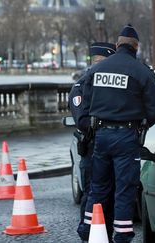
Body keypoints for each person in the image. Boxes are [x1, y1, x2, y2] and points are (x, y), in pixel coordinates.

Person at [77, 24, 155, 243]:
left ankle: (90, 229)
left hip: (101, 136)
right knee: (125, 188)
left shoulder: (97, 70)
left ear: (117, 45)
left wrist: (93, 124)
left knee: (98, 186)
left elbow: (84, 103)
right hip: (127, 136)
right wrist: (141, 124)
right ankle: (122, 234)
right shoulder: (141, 71)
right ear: (136, 47)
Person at [69, 42, 116, 242]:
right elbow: (82, 120)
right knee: (91, 195)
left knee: (111, 197)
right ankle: (88, 235)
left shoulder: (114, 87)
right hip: (91, 150)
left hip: (111, 150)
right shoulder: (80, 87)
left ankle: (106, 235)